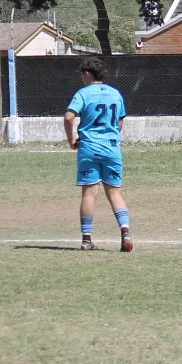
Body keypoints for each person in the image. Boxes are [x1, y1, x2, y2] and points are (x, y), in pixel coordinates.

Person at [63, 57, 132, 252]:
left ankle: (86, 239)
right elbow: (120, 122)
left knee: (89, 193)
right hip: (111, 148)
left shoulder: (83, 93)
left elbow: (69, 117)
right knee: (114, 192)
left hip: (89, 148)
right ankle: (125, 232)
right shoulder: (115, 93)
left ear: (87, 74)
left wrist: (71, 139)